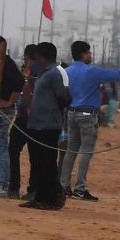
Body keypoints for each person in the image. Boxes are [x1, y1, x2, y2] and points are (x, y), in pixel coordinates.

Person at [59, 42, 120, 202]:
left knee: (71, 150)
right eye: (88, 53)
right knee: (86, 151)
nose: (90, 55)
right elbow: (117, 75)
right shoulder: (92, 71)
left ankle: (64, 186)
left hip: (71, 113)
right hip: (87, 115)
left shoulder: (66, 72)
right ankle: (80, 189)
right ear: (83, 54)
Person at [21, 42, 70, 210]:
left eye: (37, 57)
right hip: (36, 124)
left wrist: (52, 111)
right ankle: (39, 196)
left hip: (49, 126)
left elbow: (62, 98)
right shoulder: (42, 73)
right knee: (37, 163)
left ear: (43, 57)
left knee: (47, 163)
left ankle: (50, 197)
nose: (35, 60)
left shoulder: (55, 74)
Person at [0, 34, 25, 198]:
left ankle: (3, 186)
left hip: (3, 111)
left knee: (1, 147)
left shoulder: (6, 63)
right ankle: (1, 183)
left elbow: (19, 82)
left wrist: (9, 102)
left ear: (3, 47)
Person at [7, 44, 38, 199]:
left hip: (30, 119)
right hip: (23, 119)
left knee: (31, 155)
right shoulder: (25, 74)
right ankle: (15, 187)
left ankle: (28, 189)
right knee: (14, 151)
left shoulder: (36, 75)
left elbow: (27, 93)